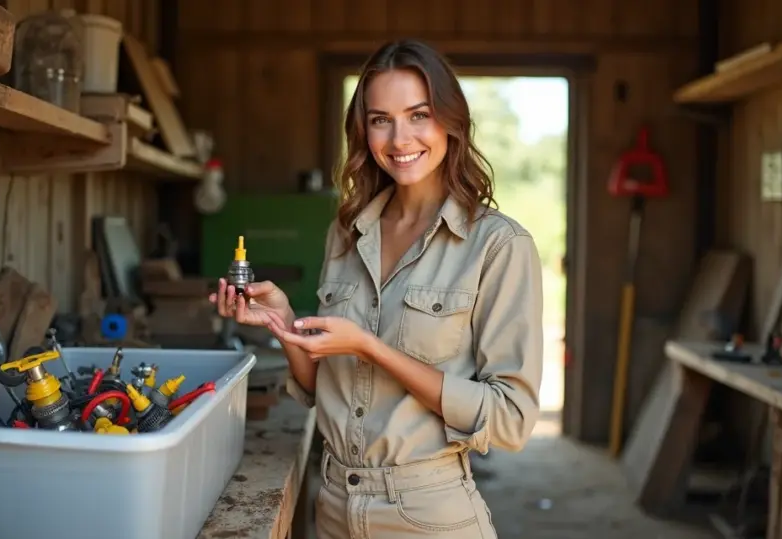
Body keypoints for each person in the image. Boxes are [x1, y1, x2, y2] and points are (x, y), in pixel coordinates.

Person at [209, 39, 543, 539]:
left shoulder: (497, 245)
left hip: (429, 516)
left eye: (418, 114)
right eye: (380, 118)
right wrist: (282, 322)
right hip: (335, 508)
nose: (399, 137)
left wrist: (370, 348)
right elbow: (327, 389)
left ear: (450, 120)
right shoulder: (347, 232)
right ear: (363, 130)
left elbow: (510, 419)